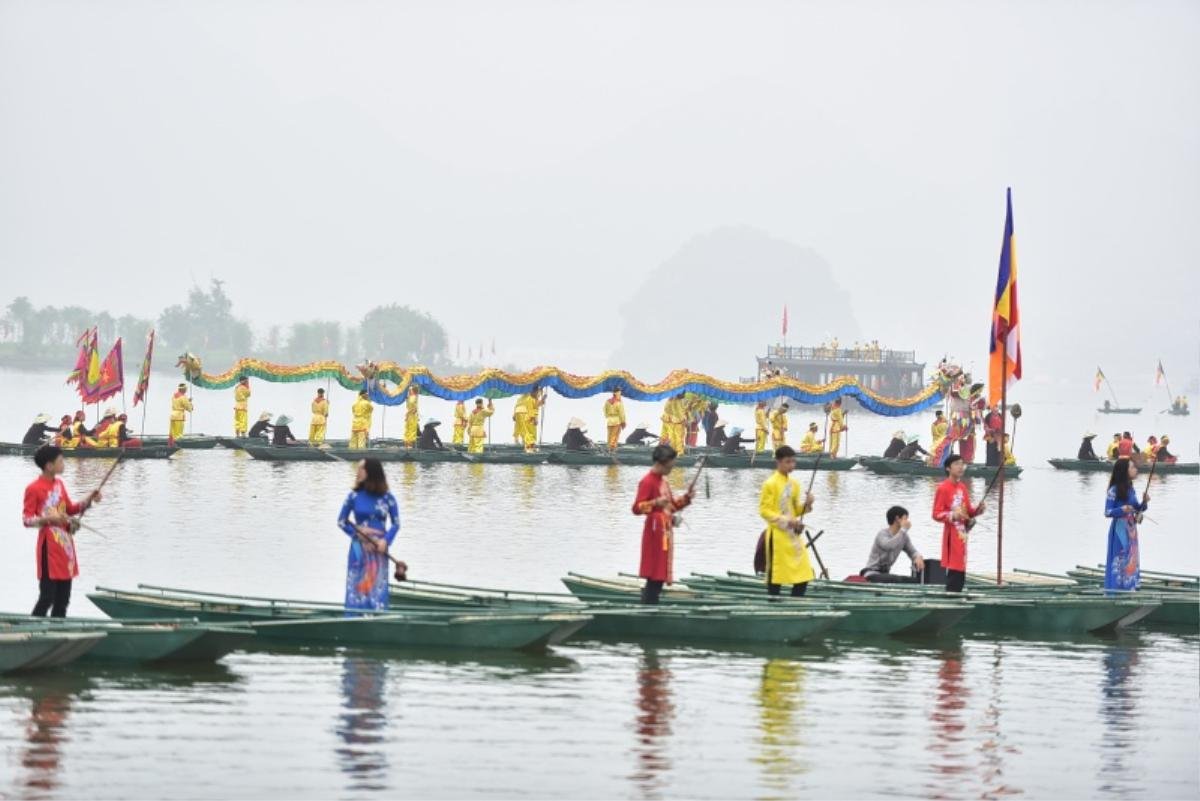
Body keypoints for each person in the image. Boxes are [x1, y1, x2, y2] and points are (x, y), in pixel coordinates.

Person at [23, 445, 101, 617]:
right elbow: (27, 521)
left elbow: (71, 509)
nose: (63, 463)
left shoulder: (59, 484)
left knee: (63, 599)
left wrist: (89, 498)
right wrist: (49, 519)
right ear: (49, 466)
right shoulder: (33, 488)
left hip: (65, 547)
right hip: (48, 548)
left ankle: (56, 631)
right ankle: (32, 630)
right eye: (60, 460)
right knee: (47, 597)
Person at [336, 458, 400, 611]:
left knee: (377, 584)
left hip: (379, 549)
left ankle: (377, 617)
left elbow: (396, 524)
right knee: (357, 583)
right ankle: (354, 615)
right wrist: (357, 534)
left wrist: (386, 541)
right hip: (359, 548)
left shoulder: (387, 497)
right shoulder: (353, 496)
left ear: (371, 472)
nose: (357, 472)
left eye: (361, 469)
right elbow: (341, 521)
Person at [632, 444, 693, 604]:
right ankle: (648, 607)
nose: (671, 469)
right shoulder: (647, 481)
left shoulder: (663, 481)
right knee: (654, 573)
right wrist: (654, 502)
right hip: (654, 533)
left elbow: (671, 506)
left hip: (664, 532)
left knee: (659, 575)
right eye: (670, 466)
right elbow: (637, 508)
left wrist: (686, 499)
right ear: (661, 463)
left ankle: (651, 605)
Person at [759, 446, 815, 597]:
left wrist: (808, 504)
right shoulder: (770, 484)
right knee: (775, 575)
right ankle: (773, 603)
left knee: (804, 572)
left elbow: (795, 510)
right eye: (787, 462)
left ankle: (796, 602)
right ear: (778, 462)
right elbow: (764, 510)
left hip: (792, 535)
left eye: (793, 462)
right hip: (777, 536)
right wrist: (785, 520)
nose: (791, 465)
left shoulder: (794, 484)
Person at [932, 454, 984, 593]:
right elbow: (936, 514)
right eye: (956, 464)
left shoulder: (962, 487)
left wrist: (978, 509)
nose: (961, 467)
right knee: (954, 569)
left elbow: (968, 512)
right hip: (951, 534)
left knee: (961, 567)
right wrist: (952, 515)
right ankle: (951, 597)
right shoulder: (943, 488)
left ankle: (957, 595)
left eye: (962, 464)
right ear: (948, 468)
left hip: (963, 534)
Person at [1104, 458, 1147, 592]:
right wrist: (1122, 510)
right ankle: (1117, 589)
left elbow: (1138, 509)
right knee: (1120, 557)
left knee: (1132, 556)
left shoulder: (1131, 489)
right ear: (1124, 471)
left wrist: (1144, 502)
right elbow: (1107, 512)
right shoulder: (1114, 490)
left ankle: (1130, 587)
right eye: (1132, 467)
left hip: (1131, 529)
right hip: (1119, 529)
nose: (1136, 470)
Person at [860, 506, 925, 583]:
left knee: (914, 581)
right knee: (898, 580)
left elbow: (912, 551)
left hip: (885, 575)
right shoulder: (882, 534)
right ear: (897, 519)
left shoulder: (904, 537)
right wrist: (903, 530)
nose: (908, 522)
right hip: (872, 574)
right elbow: (889, 546)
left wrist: (918, 557)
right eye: (905, 519)